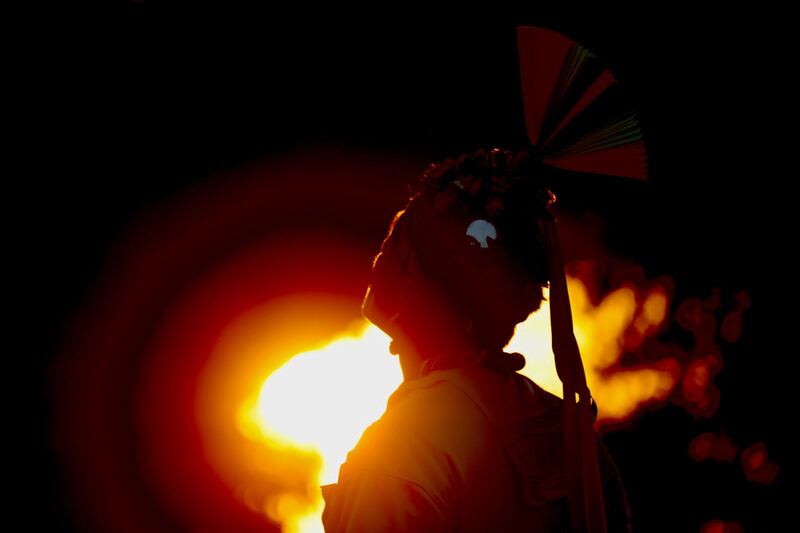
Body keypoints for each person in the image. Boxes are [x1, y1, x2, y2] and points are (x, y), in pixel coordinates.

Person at [321, 148, 631, 532]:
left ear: (412, 272)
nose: (378, 255)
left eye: (393, 241)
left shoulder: (403, 447)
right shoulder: (567, 432)